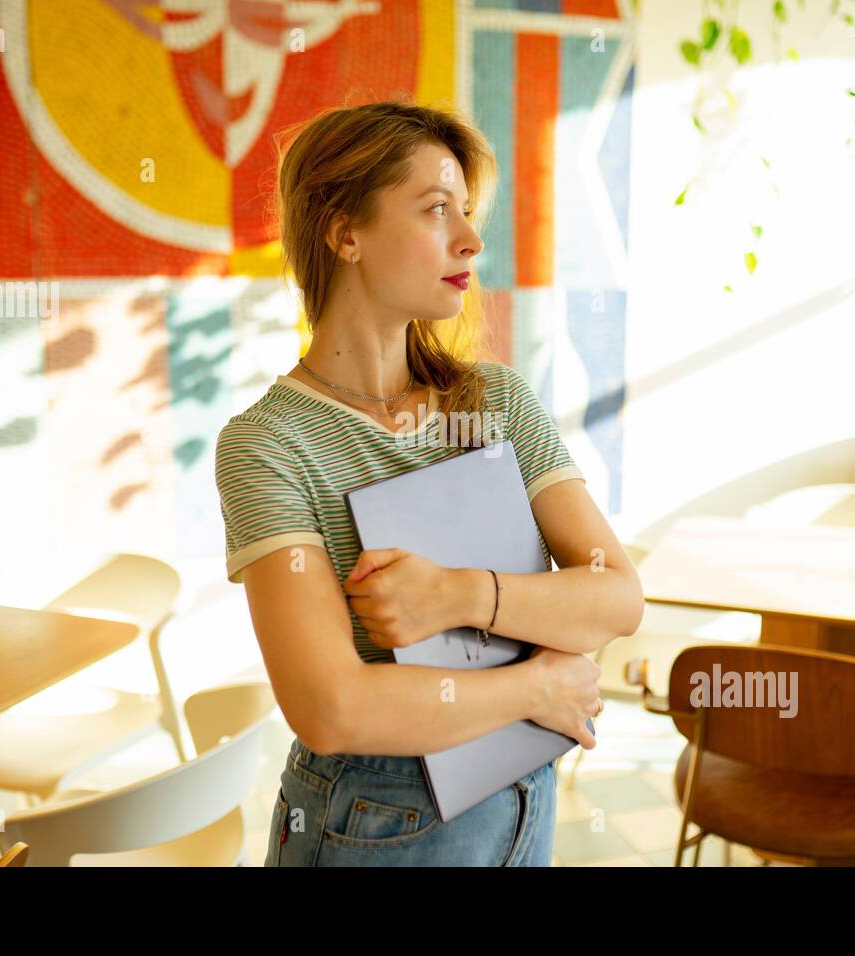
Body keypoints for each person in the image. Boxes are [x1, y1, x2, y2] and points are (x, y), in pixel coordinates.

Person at [215, 98, 644, 866]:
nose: (472, 240)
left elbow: (617, 596)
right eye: (437, 209)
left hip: (520, 788)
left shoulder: (497, 401)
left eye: (468, 212)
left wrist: (459, 594)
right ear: (345, 231)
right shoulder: (268, 445)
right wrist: (534, 688)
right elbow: (331, 707)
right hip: (373, 819)